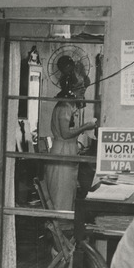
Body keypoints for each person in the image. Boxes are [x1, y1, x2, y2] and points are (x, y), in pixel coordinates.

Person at [45, 68, 97, 213]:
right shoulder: (64, 107)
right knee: (61, 192)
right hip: (62, 151)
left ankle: (64, 224)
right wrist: (86, 126)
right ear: (71, 88)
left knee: (67, 190)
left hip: (67, 150)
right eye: (79, 88)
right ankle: (61, 226)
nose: (82, 91)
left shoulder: (69, 105)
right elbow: (66, 133)